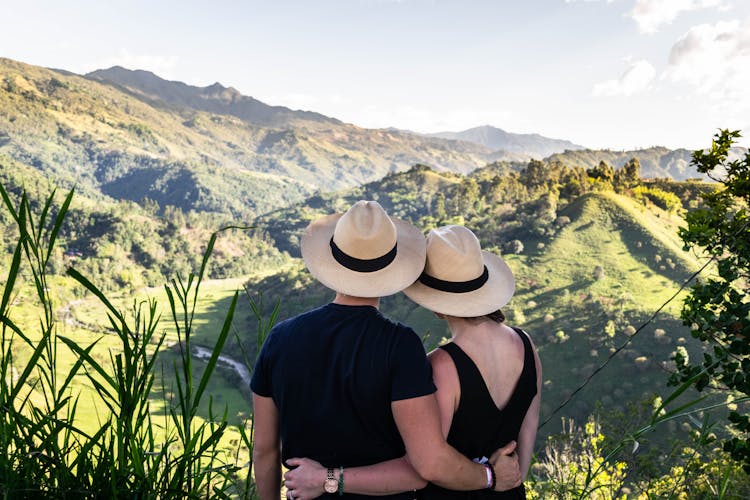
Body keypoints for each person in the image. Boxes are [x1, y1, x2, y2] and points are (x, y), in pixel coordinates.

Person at [251, 202, 521, 500]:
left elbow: (264, 450)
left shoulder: (279, 338)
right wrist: (491, 476)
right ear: (392, 267)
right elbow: (421, 469)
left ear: (333, 259)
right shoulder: (400, 346)